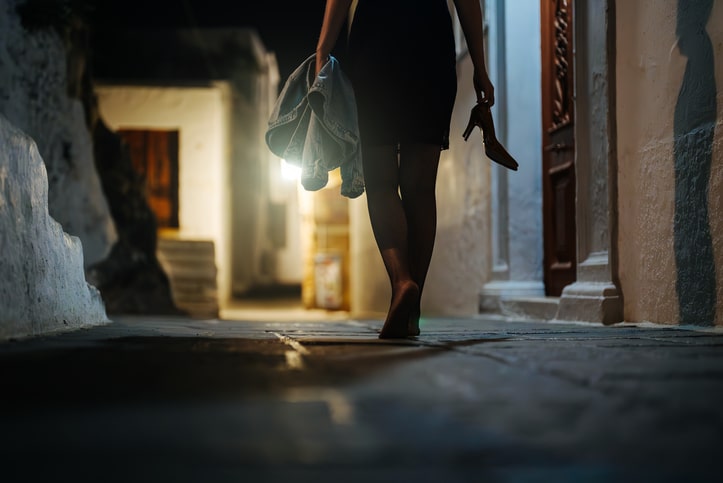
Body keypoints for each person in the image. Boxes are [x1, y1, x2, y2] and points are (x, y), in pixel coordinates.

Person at [315, 0, 495, 338]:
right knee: (421, 188)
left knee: (381, 183)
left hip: (376, 41)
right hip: (431, 38)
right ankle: (412, 311)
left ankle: (402, 282)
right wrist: (480, 67)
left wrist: (323, 50)